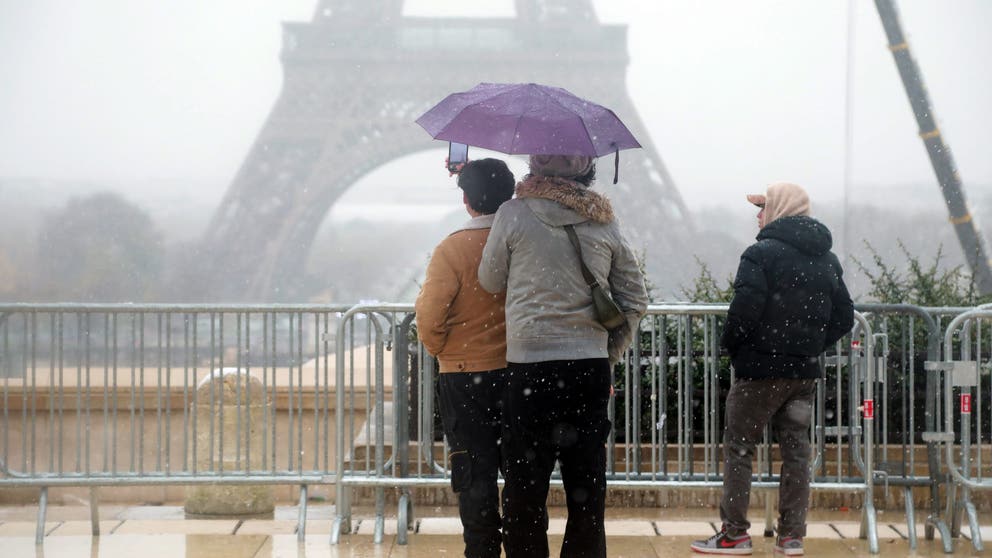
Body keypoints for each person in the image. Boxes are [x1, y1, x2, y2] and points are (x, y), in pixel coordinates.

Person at [479, 154, 648, 558]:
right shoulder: (603, 221)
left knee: (524, 489)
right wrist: (604, 349)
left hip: (529, 368)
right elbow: (635, 298)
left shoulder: (513, 214)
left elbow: (489, 279)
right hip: (587, 370)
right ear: (586, 169)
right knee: (586, 490)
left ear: (534, 166)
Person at [690, 182, 854, 556]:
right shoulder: (827, 259)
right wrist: (810, 345)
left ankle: (735, 533)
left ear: (779, 210)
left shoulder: (761, 254)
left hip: (760, 372)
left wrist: (733, 346)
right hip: (803, 376)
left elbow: (744, 309)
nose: (758, 216)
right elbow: (844, 316)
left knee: (739, 449)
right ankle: (792, 536)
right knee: (796, 452)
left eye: (763, 208)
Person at [415, 158, 516, 558]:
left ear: (466, 199)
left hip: (464, 377)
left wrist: (445, 350)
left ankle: (482, 550)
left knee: (474, 477)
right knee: (523, 474)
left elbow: (429, 317)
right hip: (519, 374)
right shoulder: (520, 243)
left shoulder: (452, 248)